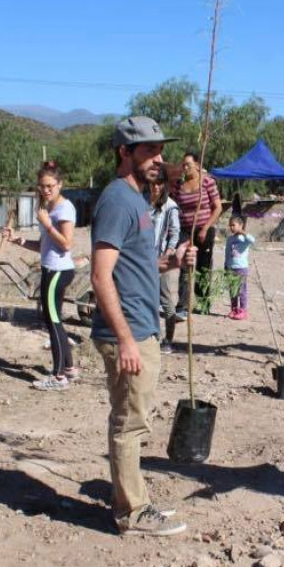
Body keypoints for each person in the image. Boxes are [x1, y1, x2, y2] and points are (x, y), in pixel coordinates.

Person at [90, 116, 195, 537]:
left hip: (140, 327)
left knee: (135, 418)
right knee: (130, 422)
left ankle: (133, 500)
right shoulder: (117, 200)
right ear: (124, 153)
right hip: (128, 331)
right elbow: (101, 276)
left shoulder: (137, 201)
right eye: (149, 151)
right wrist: (126, 339)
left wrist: (168, 262)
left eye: (160, 150)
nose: (159, 159)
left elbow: (133, 266)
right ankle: (131, 513)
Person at [5, 161, 79, 390]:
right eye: (42, 186)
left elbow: (66, 244)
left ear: (60, 184)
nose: (46, 190)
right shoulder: (50, 209)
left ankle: (58, 378)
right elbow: (45, 246)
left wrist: (47, 225)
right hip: (50, 268)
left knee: (52, 321)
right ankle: (69, 368)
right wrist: (19, 240)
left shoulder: (64, 209)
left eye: (50, 186)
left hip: (58, 271)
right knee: (55, 319)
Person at [172, 152, 222, 318]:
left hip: (204, 230)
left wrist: (205, 228)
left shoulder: (207, 182)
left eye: (188, 165)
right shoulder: (179, 185)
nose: (185, 168)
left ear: (198, 165)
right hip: (186, 231)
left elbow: (218, 207)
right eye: (183, 165)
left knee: (203, 267)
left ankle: (204, 302)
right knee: (184, 265)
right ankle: (183, 303)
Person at [147, 177, 180, 352]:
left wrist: (168, 253)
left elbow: (174, 232)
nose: (155, 187)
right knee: (149, 299)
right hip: (147, 259)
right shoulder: (146, 203)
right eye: (153, 184)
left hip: (163, 259)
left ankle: (169, 339)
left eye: (159, 184)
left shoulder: (170, 206)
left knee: (166, 299)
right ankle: (153, 335)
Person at [224, 213, 256, 320]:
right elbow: (227, 252)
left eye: (234, 225)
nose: (232, 227)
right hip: (231, 267)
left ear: (241, 225)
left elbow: (253, 240)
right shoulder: (230, 239)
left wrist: (243, 232)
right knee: (233, 290)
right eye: (230, 225)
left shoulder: (244, 238)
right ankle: (234, 309)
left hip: (241, 268)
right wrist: (226, 265)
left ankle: (243, 310)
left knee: (241, 290)